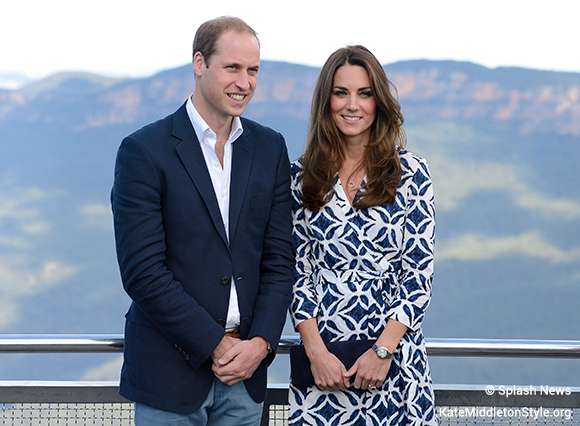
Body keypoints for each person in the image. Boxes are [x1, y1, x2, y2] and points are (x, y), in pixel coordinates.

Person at [111, 16, 295, 426]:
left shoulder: (270, 148)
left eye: (253, 71)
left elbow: (280, 261)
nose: (244, 82)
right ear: (199, 63)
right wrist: (216, 345)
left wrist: (261, 344)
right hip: (169, 376)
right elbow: (143, 272)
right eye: (232, 68)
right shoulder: (144, 150)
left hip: (246, 376)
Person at [288, 45, 437, 425]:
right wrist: (316, 353)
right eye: (341, 93)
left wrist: (382, 351)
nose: (352, 105)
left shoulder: (411, 175)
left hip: (394, 360)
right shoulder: (300, 177)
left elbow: (418, 272)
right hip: (325, 367)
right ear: (326, 100)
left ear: (379, 101)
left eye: (364, 93)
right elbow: (296, 273)